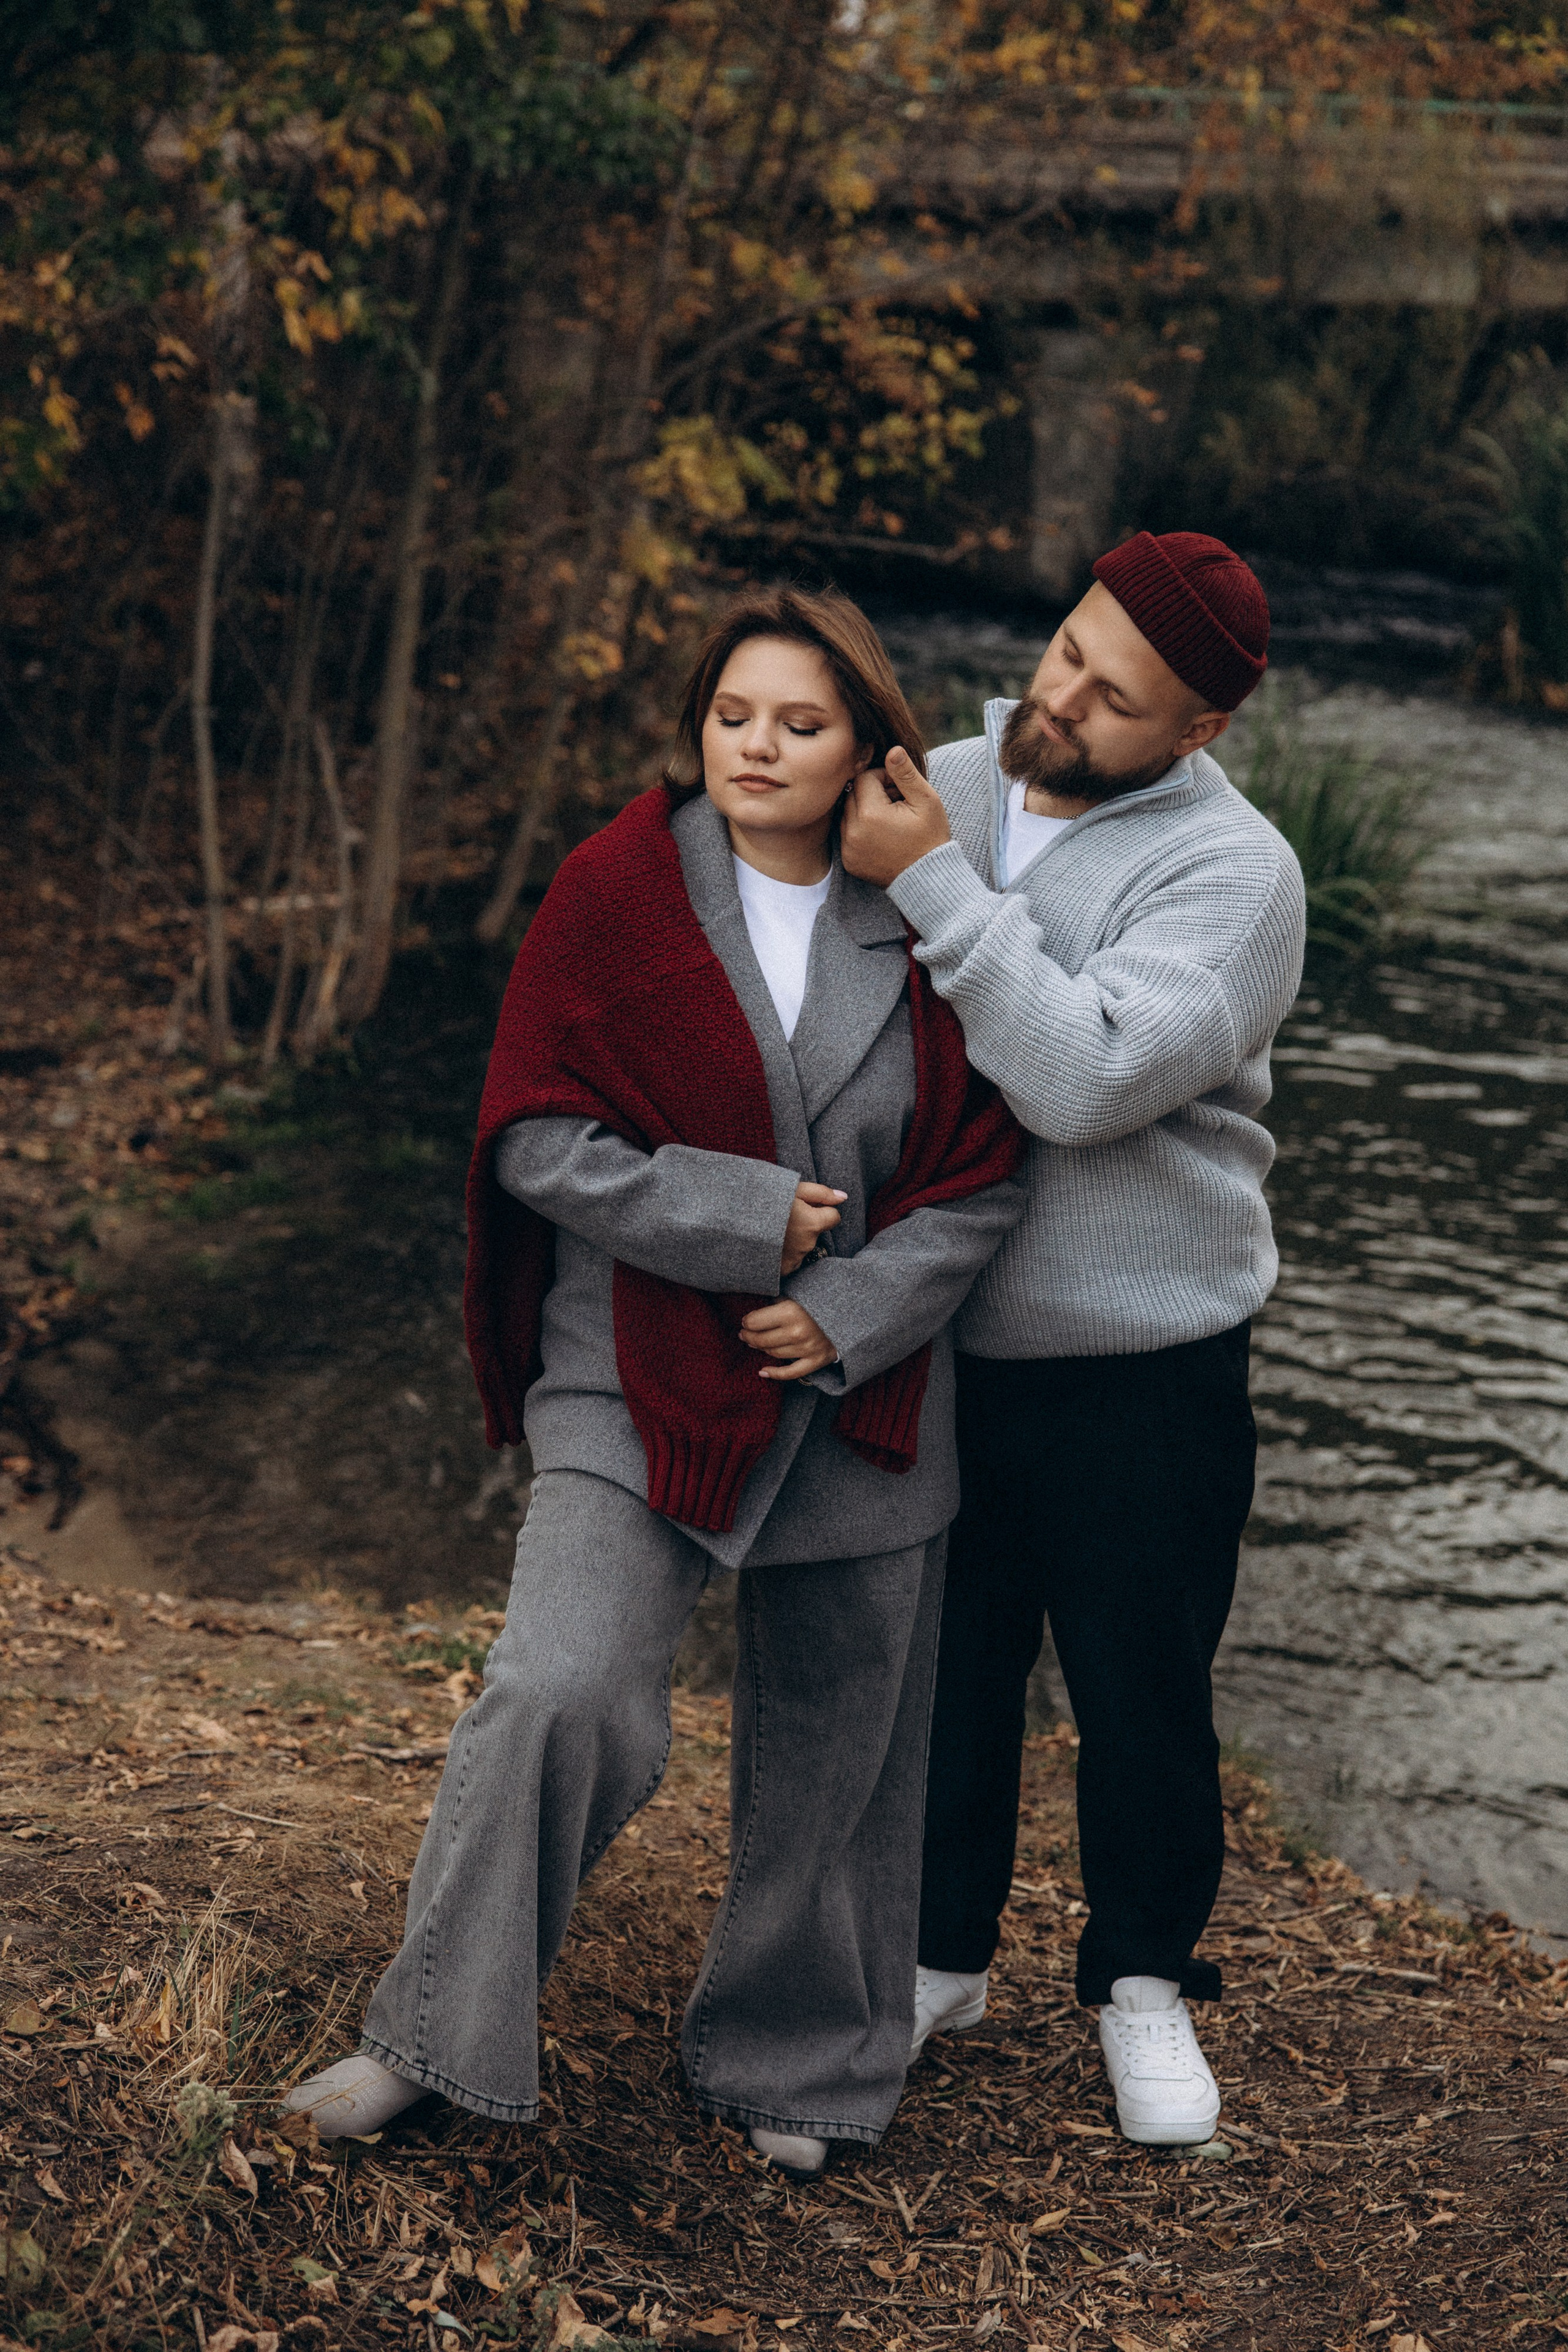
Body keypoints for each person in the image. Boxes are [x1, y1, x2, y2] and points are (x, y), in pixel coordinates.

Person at [281, 587, 1026, 2176]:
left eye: (803, 724)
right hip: (634, 1365)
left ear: (869, 749)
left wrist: (855, 1312)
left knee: (843, 1742)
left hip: (864, 1397)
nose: (761, 748)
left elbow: (984, 1173)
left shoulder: (924, 915)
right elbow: (534, 1137)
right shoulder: (619, 890)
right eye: (734, 717)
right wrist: (739, 1220)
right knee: (562, 1688)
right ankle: (428, 2033)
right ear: (699, 728)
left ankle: (796, 2059)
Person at [840, 530, 1306, 2147]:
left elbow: (1084, 1078)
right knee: (945, 1678)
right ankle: (933, 1955)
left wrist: (935, 889)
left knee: (1140, 1687)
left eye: (1114, 699)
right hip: (938, 1336)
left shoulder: (1236, 877)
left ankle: (1144, 1986)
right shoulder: (948, 786)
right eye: (1065, 651)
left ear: (1198, 733)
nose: (1062, 697)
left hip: (1145, 1359)